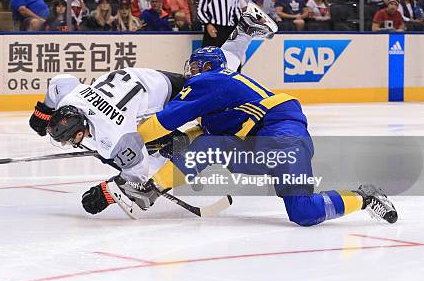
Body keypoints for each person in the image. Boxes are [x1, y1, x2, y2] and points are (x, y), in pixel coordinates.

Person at [132, 47, 398, 226]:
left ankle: (365, 197)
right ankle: (152, 187)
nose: (190, 72)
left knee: (303, 213)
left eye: (194, 66)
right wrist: (177, 142)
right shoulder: (220, 97)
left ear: (207, 66)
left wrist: (130, 141)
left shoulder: (211, 80)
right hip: (269, 142)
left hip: (283, 136)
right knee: (303, 212)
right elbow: (210, 135)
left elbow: (163, 122)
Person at [28, 67, 186, 216]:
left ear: (79, 133)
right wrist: (44, 112)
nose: (63, 144)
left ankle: (180, 146)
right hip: (144, 77)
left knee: (158, 156)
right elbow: (60, 81)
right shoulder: (69, 98)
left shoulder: (114, 135)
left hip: (164, 93)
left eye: (66, 140)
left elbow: (138, 170)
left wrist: (106, 193)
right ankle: (173, 141)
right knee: (136, 142)